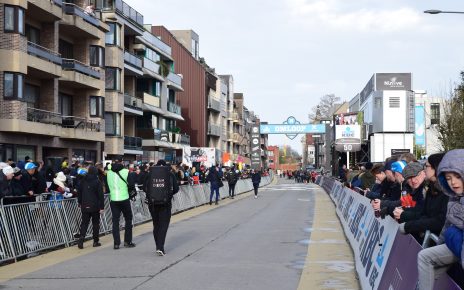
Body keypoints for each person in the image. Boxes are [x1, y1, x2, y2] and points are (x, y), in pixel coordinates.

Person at [417, 149, 464, 290]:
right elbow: (447, 225)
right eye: (448, 178)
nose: (453, 183)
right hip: (456, 244)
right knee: (425, 257)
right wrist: (443, 242)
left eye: (457, 176)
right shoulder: (454, 198)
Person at [396, 153, 448, 244]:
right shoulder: (432, 188)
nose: (424, 169)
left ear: (435, 167)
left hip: (439, 240)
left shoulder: (447, 191)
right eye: (409, 178)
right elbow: (424, 214)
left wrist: (409, 224)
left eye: (426, 166)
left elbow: (439, 221)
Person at [143, 159, 179, 256]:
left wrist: (152, 195)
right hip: (165, 203)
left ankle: (157, 246)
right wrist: (168, 195)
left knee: (156, 225)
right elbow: (176, 188)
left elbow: (144, 188)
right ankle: (160, 247)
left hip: (152, 204)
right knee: (164, 225)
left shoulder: (150, 174)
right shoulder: (170, 174)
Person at [106, 156, 136, 250]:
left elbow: (107, 186)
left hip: (113, 199)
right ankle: (127, 241)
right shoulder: (126, 172)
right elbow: (131, 185)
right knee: (128, 219)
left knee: (115, 221)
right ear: (122, 162)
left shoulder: (109, 173)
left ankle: (116, 243)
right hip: (124, 198)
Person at [77, 166, 104, 249]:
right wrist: (102, 207)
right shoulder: (97, 182)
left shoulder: (83, 181)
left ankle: (81, 240)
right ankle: (95, 241)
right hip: (95, 206)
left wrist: (80, 202)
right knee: (95, 224)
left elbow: (79, 192)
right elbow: (100, 195)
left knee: (84, 223)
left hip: (84, 205)